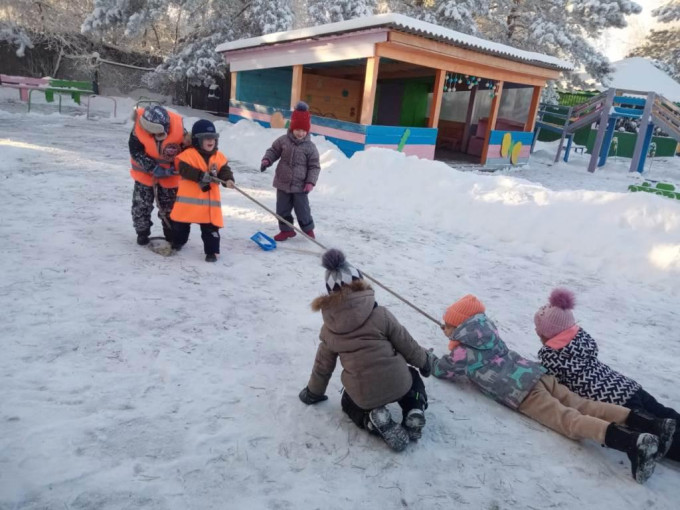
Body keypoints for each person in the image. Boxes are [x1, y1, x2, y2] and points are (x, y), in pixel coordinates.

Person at [432, 294, 675, 484]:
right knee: (583, 405)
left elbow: (442, 369)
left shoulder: (464, 352)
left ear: (459, 328)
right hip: (539, 374)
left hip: (522, 392)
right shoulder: (488, 332)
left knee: (569, 420)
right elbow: (473, 343)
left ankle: (632, 442)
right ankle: (650, 424)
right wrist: (456, 337)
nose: (444, 329)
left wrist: (434, 355)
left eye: (447, 326)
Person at [298, 249, 436, 451]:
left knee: (348, 399)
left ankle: (371, 419)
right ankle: (414, 408)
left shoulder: (329, 330)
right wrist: (425, 362)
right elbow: (407, 344)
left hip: (364, 393)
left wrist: (313, 393)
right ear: (361, 284)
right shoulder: (381, 314)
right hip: (399, 381)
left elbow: (322, 366)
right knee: (412, 378)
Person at [535, 287, 679, 461]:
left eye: (539, 330)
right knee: (663, 413)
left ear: (548, 334)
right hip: (627, 386)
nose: (537, 332)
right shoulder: (582, 338)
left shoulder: (550, 355)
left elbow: (554, 385)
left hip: (617, 401)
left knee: (657, 433)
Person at [170, 119, 234, 262]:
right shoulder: (188, 155)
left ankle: (211, 252)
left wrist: (228, 180)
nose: (210, 141)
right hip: (187, 204)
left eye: (213, 138)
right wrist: (200, 176)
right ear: (197, 140)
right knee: (180, 226)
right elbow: (184, 169)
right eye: (206, 138)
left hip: (208, 206)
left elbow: (224, 170)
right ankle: (178, 242)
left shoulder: (219, 157)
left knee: (211, 230)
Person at [260, 101, 320, 241]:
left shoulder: (310, 147)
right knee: (282, 208)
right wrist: (267, 160)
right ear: (292, 127)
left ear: (307, 131)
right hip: (282, 182)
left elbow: (314, 166)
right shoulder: (283, 141)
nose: (301, 133)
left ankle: (308, 229)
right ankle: (286, 230)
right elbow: (273, 151)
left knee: (302, 209)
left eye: (304, 130)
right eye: (298, 129)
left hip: (300, 186)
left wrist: (310, 182)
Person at [129, 105, 186, 246]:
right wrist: (152, 167)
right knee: (141, 205)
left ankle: (171, 234)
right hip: (145, 174)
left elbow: (188, 150)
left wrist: (178, 167)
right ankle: (142, 233)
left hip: (170, 175)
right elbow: (135, 151)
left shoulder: (180, 130)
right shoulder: (138, 129)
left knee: (170, 207)